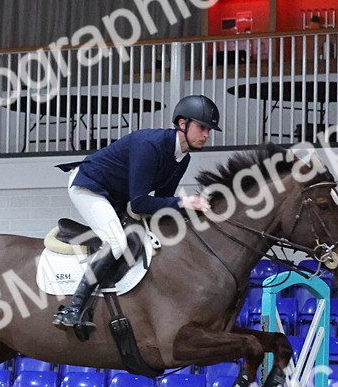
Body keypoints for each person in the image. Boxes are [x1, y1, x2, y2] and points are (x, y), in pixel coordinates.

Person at [50, 95, 219, 333]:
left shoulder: (182, 158)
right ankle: (73, 309)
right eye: (202, 127)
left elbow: (160, 203)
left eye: (209, 130)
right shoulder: (150, 145)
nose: (206, 135)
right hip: (89, 186)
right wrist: (184, 202)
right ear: (182, 124)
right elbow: (140, 203)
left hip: (116, 197)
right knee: (116, 242)